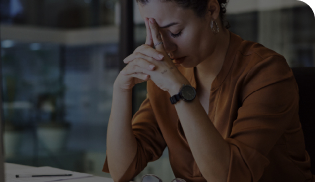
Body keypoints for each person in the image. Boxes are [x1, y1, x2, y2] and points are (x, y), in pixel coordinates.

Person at [102, 0, 314, 181]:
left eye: (175, 32)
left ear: (212, 10)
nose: (166, 47)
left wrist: (180, 90)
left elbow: (231, 176)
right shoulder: (170, 75)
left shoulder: (267, 72)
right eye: (156, 34)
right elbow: (122, 171)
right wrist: (121, 88)